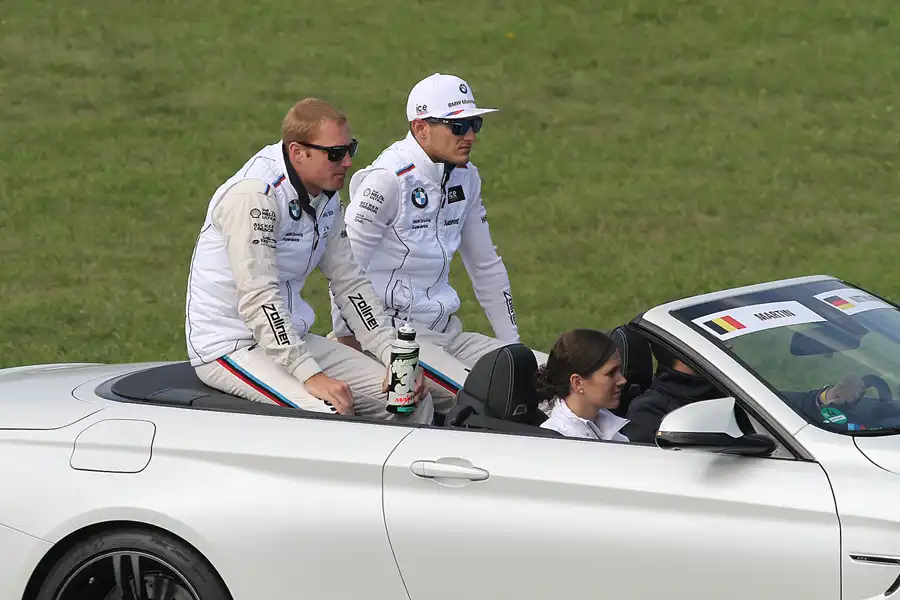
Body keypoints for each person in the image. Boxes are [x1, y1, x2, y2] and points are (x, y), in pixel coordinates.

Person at [184, 97, 433, 424]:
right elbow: (259, 297)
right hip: (231, 344)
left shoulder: (325, 194)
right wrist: (310, 375)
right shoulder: (255, 197)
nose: (347, 162)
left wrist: (391, 355)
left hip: (290, 337)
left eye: (350, 149)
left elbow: (350, 282)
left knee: (409, 398)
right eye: (335, 153)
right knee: (329, 412)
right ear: (298, 152)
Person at [327, 72, 542, 411]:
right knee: (493, 398)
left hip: (449, 333)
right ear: (421, 127)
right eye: (457, 127)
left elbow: (486, 266)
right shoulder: (386, 181)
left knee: (547, 380)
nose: (469, 135)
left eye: (474, 124)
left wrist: (514, 351)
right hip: (397, 339)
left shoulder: (466, 176)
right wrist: (351, 343)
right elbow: (345, 270)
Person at [535, 329, 630, 441]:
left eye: (620, 370)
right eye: (611, 373)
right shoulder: (555, 443)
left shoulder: (607, 429)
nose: (622, 380)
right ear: (577, 383)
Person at [621, 343, 723, 443]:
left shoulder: (726, 385)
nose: (725, 348)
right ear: (683, 354)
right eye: (709, 344)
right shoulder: (647, 413)